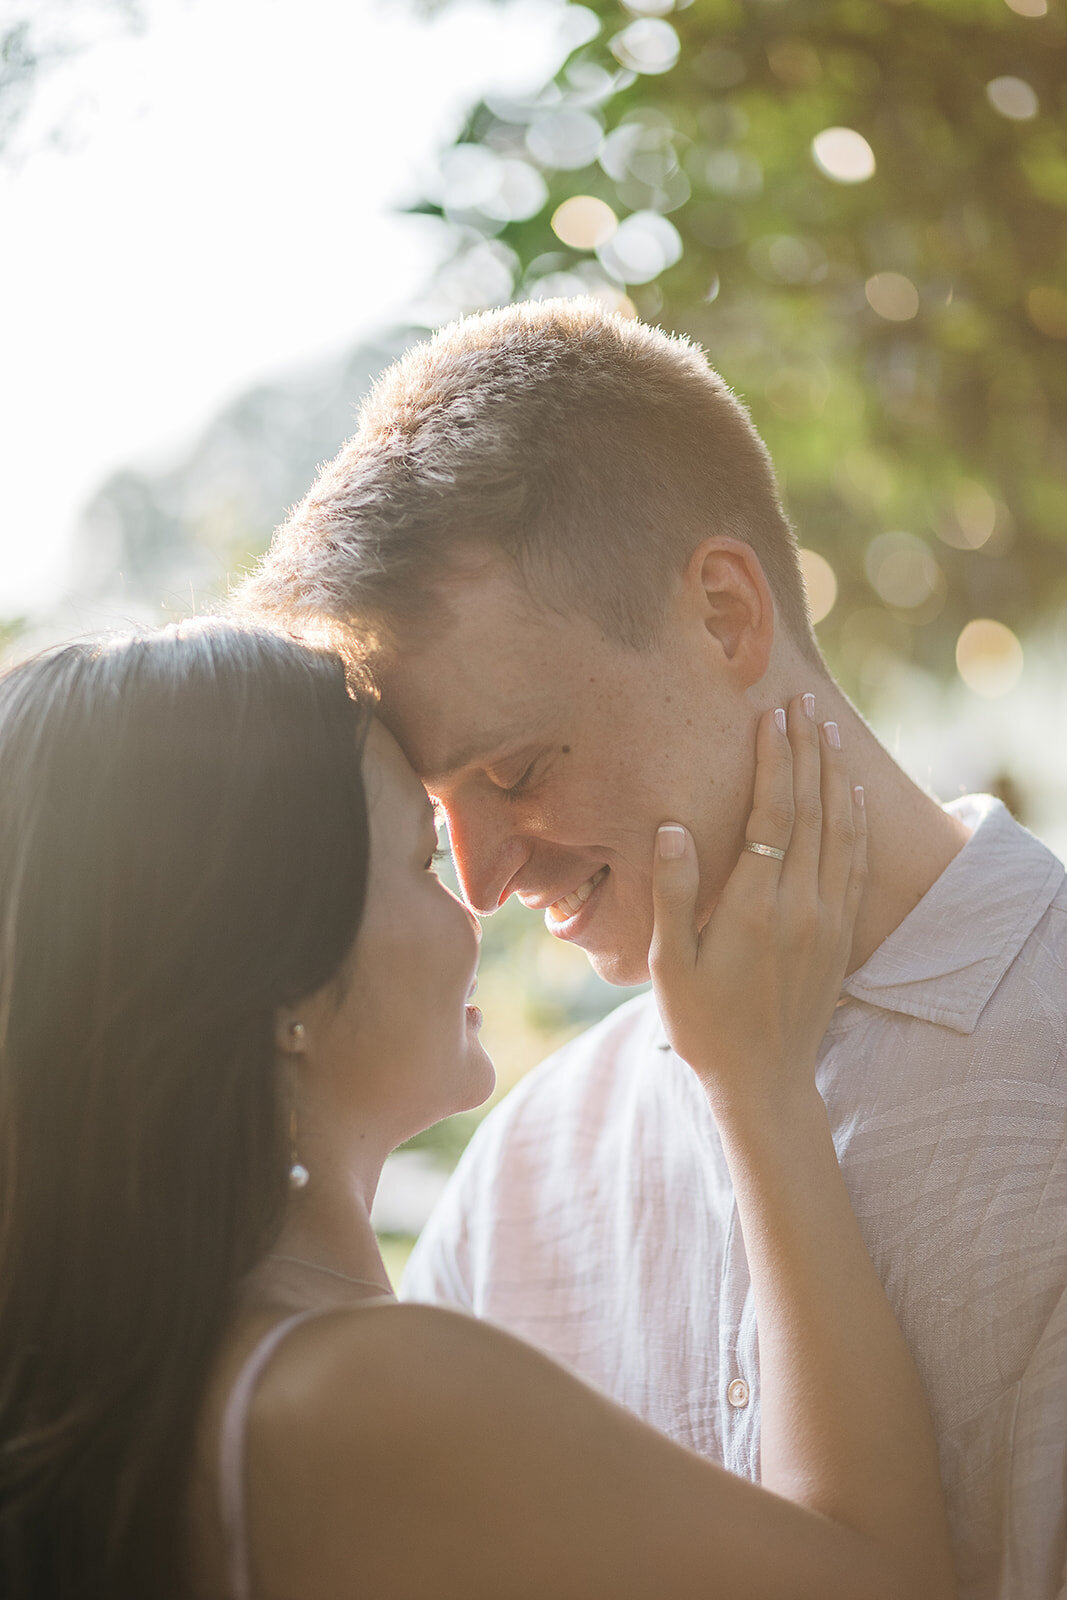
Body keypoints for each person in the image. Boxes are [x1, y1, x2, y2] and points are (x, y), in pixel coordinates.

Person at [238, 297, 1067, 1600]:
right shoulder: (520, 1173)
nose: (484, 879)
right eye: (428, 815)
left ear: (725, 615)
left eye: (513, 769)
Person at [0, 620, 953, 1599]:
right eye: (420, 860)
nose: (478, 904)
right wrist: (760, 1087)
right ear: (279, 978)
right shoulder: (358, 1396)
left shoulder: (152, 1388)